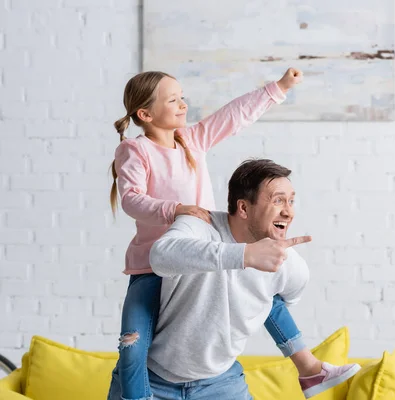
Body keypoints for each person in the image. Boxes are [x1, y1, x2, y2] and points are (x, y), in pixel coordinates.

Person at [109, 70, 357, 400]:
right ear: (145, 114)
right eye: (173, 100)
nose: (183, 105)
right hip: (153, 266)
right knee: (132, 345)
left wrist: (278, 89)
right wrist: (176, 209)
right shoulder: (135, 151)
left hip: (207, 256)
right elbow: (131, 200)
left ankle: (309, 369)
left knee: (262, 292)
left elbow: (233, 115)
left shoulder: (191, 140)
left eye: (183, 97)